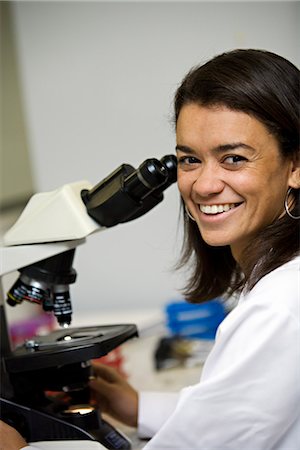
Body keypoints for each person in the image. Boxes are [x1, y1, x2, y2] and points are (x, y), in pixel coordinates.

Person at [1, 48, 299, 449]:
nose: (204, 185)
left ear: (295, 166)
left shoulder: (279, 307)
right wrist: (138, 407)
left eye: (232, 158)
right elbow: (233, 417)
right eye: (189, 160)